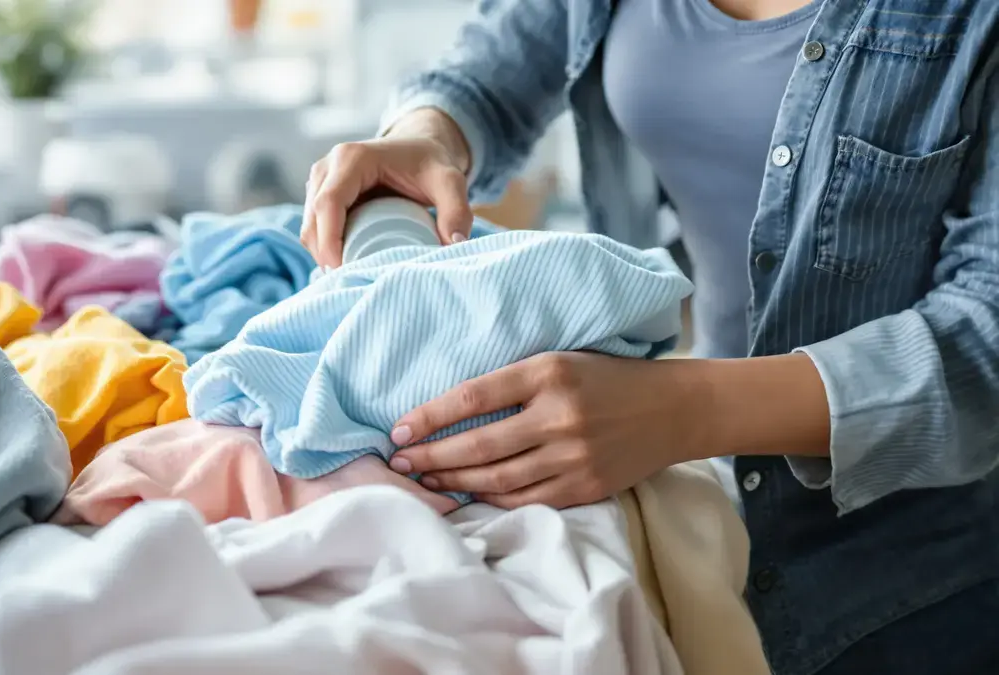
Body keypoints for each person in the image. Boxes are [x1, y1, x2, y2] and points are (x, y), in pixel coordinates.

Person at [300, 1, 999, 674]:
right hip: (697, 507)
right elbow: (492, 71)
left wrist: (681, 409)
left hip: (912, 578)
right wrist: (425, 134)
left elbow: (986, 342)